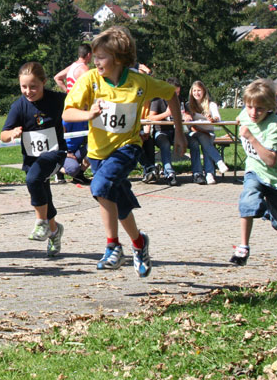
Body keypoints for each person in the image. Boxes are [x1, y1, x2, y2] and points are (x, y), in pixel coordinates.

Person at [63, 26, 186, 277]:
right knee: (119, 205)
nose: (95, 61)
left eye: (101, 57)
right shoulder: (90, 80)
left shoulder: (139, 82)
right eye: (95, 56)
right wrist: (89, 114)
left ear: (118, 58)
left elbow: (171, 95)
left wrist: (180, 132)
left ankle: (113, 247)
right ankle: (139, 244)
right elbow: (67, 112)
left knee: (99, 187)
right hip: (98, 153)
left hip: (127, 148)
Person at [1, 62, 67, 257]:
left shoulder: (56, 99)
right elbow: (2, 135)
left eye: (33, 86)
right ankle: (54, 231)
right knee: (42, 192)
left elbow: (77, 102)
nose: (28, 91)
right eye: (24, 87)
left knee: (33, 180)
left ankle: (41, 224)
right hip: (32, 159)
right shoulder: (19, 106)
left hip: (55, 153)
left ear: (44, 83)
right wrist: (12, 133)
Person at [231, 79, 277, 274]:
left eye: (259, 109)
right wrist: (241, 120)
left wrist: (251, 137)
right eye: (249, 107)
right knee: (248, 200)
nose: (253, 113)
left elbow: (271, 160)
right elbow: (241, 117)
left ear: (268, 108)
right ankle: (243, 247)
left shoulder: (274, 125)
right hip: (254, 172)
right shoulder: (246, 113)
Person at [184, 80, 229, 185]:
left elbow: (217, 118)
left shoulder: (211, 104)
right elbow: (190, 124)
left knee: (206, 141)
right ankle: (217, 164)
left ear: (204, 91)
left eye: (199, 90)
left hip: (209, 132)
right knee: (204, 138)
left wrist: (213, 119)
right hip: (194, 132)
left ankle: (209, 173)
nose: (196, 93)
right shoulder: (188, 105)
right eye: (194, 90)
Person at [148, 78, 182, 186]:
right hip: (160, 131)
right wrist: (166, 114)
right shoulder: (157, 100)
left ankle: (198, 173)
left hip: (175, 131)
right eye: (174, 93)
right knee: (165, 144)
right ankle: (169, 173)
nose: (175, 96)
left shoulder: (179, 101)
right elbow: (151, 117)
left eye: (178, 93)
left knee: (194, 142)